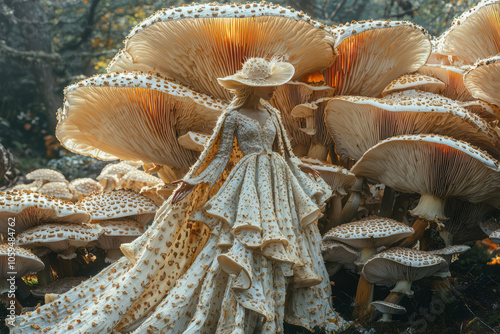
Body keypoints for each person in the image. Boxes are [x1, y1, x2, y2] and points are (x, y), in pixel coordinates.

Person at [11, 58, 347, 333]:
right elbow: (216, 155)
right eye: (266, 85)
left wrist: (304, 170)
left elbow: (284, 151)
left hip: (276, 180)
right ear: (250, 88)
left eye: (271, 84)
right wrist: (192, 181)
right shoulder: (232, 115)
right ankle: (241, 314)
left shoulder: (272, 113)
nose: (273, 89)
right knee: (243, 238)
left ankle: (280, 307)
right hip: (247, 181)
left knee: (287, 237)